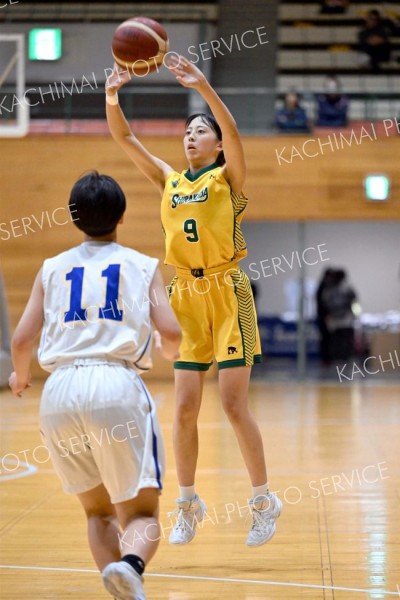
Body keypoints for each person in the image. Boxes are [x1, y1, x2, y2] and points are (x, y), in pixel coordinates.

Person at [105, 55, 282, 547]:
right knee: (183, 408)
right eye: (187, 131)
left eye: (201, 131)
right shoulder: (169, 179)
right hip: (184, 293)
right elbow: (124, 139)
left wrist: (203, 85)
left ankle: (264, 501)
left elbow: (233, 130)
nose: (191, 135)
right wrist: (112, 95)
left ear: (218, 144)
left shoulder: (228, 178)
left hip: (228, 293)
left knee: (232, 403)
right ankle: (187, 503)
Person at [9, 171, 182, 600]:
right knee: (141, 512)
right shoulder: (142, 266)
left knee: (97, 511)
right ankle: (132, 565)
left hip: (59, 392)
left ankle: (121, 585)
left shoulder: (51, 268)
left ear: (73, 217)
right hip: (115, 383)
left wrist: (21, 376)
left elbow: (21, 340)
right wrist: (168, 349)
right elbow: (172, 331)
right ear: (122, 217)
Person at [320, 268, 357, 362]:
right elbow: (353, 300)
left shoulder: (330, 289)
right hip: (341, 320)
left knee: (339, 340)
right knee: (340, 340)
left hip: (339, 319)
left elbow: (325, 302)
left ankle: (340, 358)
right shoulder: (345, 288)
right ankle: (341, 358)